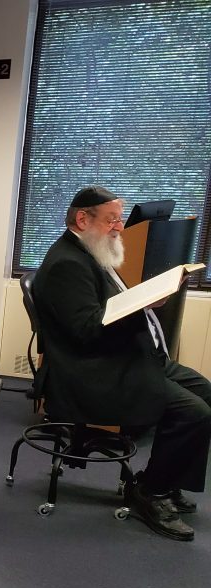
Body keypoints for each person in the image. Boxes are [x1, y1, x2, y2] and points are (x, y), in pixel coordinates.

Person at [32, 185, 211, 541]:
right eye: (111, 220)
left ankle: (166, 479)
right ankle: (150, 492)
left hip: (127, 356)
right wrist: (141, 305)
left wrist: (143, 301)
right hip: (94, 373)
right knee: (194, 413)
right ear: (83, 219)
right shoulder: (67, 264)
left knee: (206, 393)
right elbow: (86, 331)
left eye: (120, 219)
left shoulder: (89, 252)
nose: (119, 227)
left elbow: (102, 313)